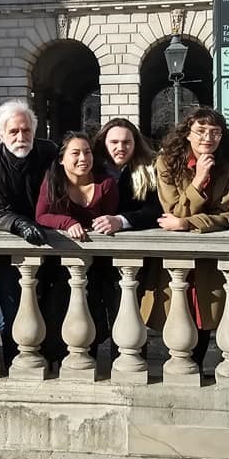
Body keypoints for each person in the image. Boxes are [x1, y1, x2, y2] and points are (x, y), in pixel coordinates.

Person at [155, 108, 229, 369]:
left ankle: (195, 369)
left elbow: (225, 214)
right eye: (201, 131)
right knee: (175, 310)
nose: (208, 138)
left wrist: (187, 223)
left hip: (210, 254)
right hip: (176, 255)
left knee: (205, 312)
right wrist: (199, 179)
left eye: (215, 132)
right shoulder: (167, 161)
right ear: (187, 133)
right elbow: (173, 209)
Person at [0, 100, 58, 367]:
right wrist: (22, 225)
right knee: (11, 309)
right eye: (13, 131)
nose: (21, 137)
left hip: (53, 244)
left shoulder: (50, 153)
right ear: (1, 135)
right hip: (12, 249)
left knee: (51, 308)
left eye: (26, 130)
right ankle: (14, 361)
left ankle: (50, 361)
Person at [36, 132, 119, 360]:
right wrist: (68, 223)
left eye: (87, 152)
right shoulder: (53, 181)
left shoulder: (106, 185)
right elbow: (41, 216)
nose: (83, 158)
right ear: (62, 159)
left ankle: (91, 359)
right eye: (75, 153)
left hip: (100, 265)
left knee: (96, 314)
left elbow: (109, 220)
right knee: (58, 310)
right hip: (63, 264)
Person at [91, 118, 163, 348]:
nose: (120, 147)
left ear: (135, 143)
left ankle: (129, 360)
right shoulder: (90, 166)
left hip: (132, 255)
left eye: (126, 142)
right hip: (92, 254)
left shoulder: (148, 169)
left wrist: (121, 221)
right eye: (114, 142)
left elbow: (155, 210)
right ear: (104, 142)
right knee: (91, 313)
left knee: (128, 313)